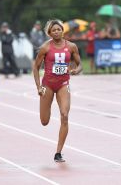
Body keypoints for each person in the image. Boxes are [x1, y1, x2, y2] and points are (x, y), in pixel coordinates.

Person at [32, 19, 82, 162]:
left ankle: (58, 152)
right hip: (47, 85)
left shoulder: (72, 46)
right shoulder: (45, 48)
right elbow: (35, 68)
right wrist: (38, 87)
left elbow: (80, 65)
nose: (56, 32)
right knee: (44, 121)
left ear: (62, 30)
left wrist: (76, 70)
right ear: (49, 33)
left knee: (64, 115)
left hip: (63, 84)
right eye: (53, 30)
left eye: (58, 29)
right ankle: (45, 111)